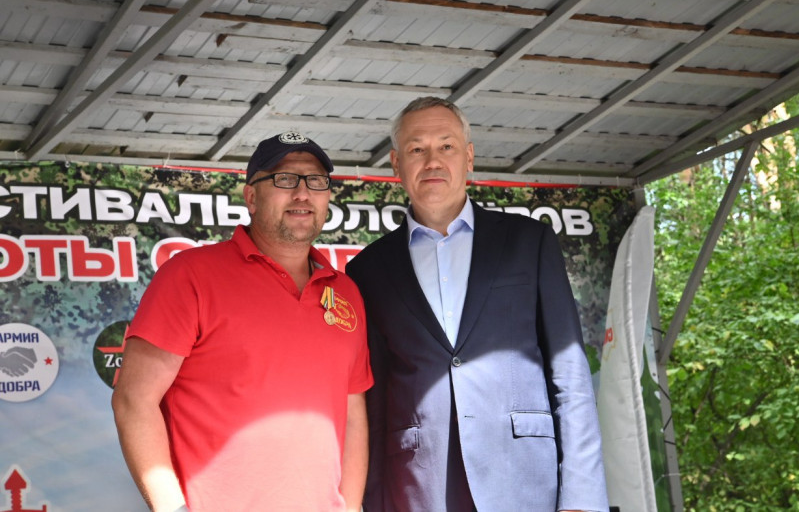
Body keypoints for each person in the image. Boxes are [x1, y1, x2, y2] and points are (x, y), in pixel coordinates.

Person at [346, 97, 608, 512]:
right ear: (396, 164)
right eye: (417, 149)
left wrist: (582, 498)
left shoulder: (529, 242)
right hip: (418, 487)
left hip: (524, 482)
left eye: (446, 146)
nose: (432, 160)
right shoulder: (367, 270)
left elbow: (570, 375)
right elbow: (373, 403)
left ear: (468, 157)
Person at [112, 132, 373, 512]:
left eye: (316, 181)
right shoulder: (191, 274)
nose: (303, 193)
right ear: (251, 196)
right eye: (285, 179)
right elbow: (133, 400)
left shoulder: (345, 291)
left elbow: (353, 415)